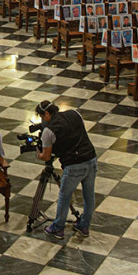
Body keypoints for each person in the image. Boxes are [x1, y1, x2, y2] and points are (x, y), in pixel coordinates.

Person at [36, 100, 97, 239]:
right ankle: (84, 225)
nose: (41, 120)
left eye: (41, 116)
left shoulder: (48, 131)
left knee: (64, 197)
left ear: (46, 113)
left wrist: (38, 155)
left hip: (74, 165)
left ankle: (57, 228)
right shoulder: (74, 114)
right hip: (91, 159)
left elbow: (46, 156)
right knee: (89, 195)